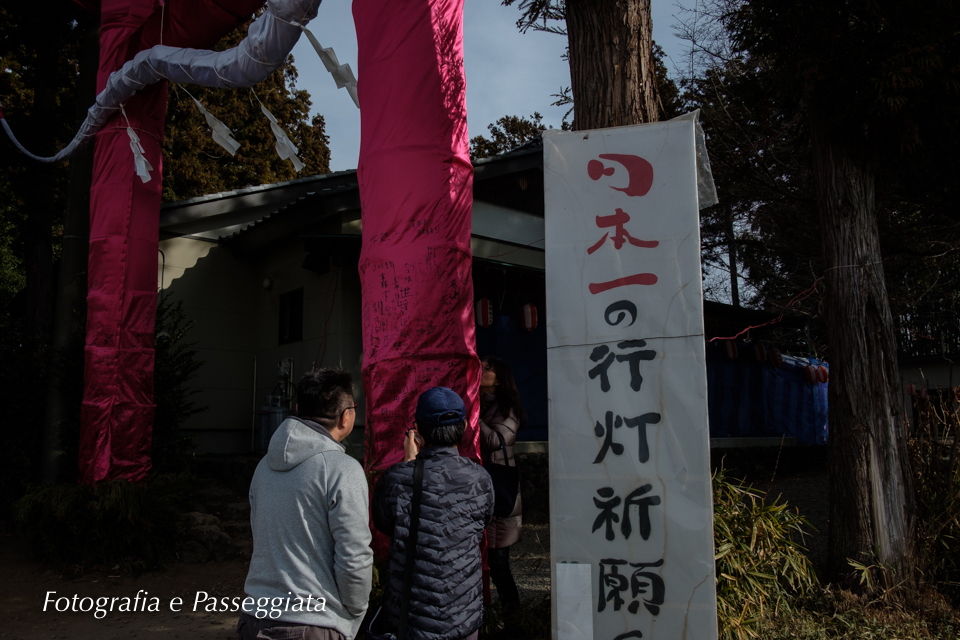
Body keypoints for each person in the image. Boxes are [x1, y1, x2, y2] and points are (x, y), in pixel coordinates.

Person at [239, 368, 373, 640]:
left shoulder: (264, 467)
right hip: (313, 622)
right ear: (346, 415)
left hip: (255, 617)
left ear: (298, 408)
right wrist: (355, 611)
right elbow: (354, 555)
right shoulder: (342, 470)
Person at [373, 386, 495, 640]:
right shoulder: (479, 478)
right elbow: (485, 519)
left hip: (410, 618)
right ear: (462, 427)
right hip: (463, 617)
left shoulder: (395, 479)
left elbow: (385, 524)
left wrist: (409, 465)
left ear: (417, 430)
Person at [478, 356, 526, 611]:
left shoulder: (508, 408)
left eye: (487, 369)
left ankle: (514, 622)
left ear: (499, 380)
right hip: (479, 488)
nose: (481, 370)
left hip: (498, 491)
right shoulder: (477, 403)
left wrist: (474, 417)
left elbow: (496, 441)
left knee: (498, 563)